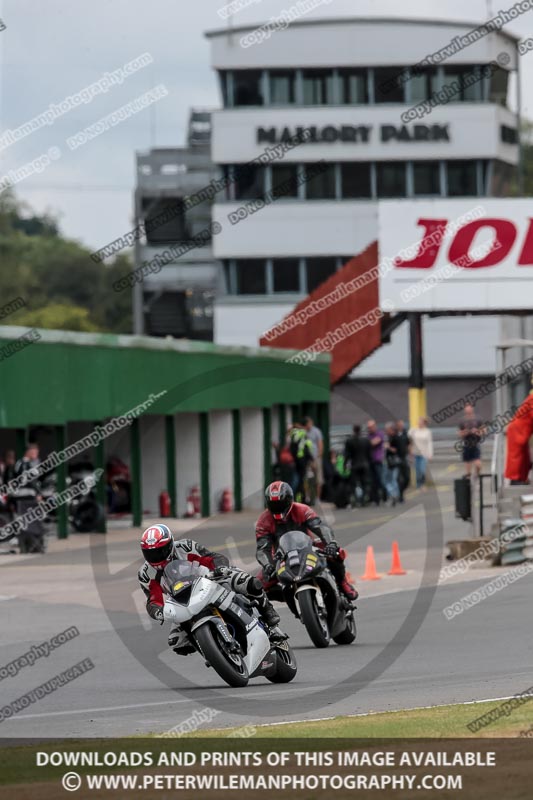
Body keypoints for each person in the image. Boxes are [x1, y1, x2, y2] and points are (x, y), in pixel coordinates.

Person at [138, 524, 286, 655]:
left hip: (210, 579)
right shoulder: (145, 573)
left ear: (170, 545)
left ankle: (268, 613)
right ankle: (213, 648)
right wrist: (158, 611)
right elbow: (153, 599)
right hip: (181, 599)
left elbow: (212, 557)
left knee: (249, 582)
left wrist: (219, 569)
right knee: (176, 642)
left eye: (160, 551)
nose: (155, 557)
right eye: (150, 553)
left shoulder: (185, 547)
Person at [255, 481, 358, 601]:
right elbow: (262, 549)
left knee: (337, 552)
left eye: (281, 504)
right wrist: (268, 565)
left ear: (289, 500)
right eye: (274, 505)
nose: (278, 508)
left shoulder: (302, 509)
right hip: (281, 556)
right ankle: (286, 599)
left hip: (308, 548)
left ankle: (342, 583)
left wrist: (331, 543)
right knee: (256, 587)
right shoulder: (263, 521)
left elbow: (320, 527)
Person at [13, 443, 45, 553]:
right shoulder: (25, 464)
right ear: (29, 452)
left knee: (25, 520)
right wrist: (38, 493)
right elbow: (30, 481)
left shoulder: (20, 463)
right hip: (26, 496)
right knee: (32, 520)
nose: (36, 454)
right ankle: (33, 545)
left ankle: (29, 545)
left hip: (21, 496)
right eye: (35, 452)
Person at [344, 424, 371, 507]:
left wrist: (345, 465)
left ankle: (354, 499)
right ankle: (364, 499)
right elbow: (369, 454)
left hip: (355, 465)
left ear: (353, 430)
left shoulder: (349, 441)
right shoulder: (366, 440)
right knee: (365, 483)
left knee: (353, 483)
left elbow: (347, 454)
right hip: (365, 464)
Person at [288, 421, 314, 501]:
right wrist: (311, 459)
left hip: (296, 461)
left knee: (297, 480)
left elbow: (293, 448)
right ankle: (303, 498)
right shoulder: (301, 434)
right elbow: (305, 448)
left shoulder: (293, 435)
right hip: (302, 461)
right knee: (301, 480)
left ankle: (295, 497)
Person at [458, 403, 483, 477]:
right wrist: (465, 432)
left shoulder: (478, 419)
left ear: (472, 409)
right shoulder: (462, 420)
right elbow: (460, 434)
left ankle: (476, 476)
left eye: (469, 408)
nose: (468, 410)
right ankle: (469, 481)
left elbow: (483, 431)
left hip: (475, 444)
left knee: (478, 465)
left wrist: (477, 431)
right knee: (468, 470)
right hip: (466, 444)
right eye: (466, 409)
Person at [408, 417, 433, 488]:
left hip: (424, 454)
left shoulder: (427, 431)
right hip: (415, 453)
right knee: (417, 470)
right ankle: (418, 484)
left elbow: (429, 443)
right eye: (418, 422)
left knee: (422, 470)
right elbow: (408, 439)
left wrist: (430, 454)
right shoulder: (413, 430)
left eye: (421, 422)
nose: (419, 423)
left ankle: (422, 484)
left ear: (424, 423)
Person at [303, 417, 324, 500]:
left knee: (318, 478)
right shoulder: (304, 432)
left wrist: (318, 456)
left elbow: (320, 444)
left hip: (316, 458)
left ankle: (317, 498)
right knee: (307, 478)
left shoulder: (316, 432)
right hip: (307, 459)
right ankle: (308, 496)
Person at [366, 419, 386, 505]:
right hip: (370, 461)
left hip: (378, 460)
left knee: (381, 480)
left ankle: (385, 497)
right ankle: (375, 499)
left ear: (374, 426)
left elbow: (373, 443)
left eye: (370, 427)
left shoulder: (379, 434)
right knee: (373, 481)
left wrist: (367, 443)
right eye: (368, 427)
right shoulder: (368, 436)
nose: (369, 429)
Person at [383, 423, 401, 507]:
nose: (386, 431)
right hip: (392, 461)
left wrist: (387, 447)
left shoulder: (395, 438)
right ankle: (396, 495)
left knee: (389, 480)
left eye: (387, 430)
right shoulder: (390, 438)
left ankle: (393, 494)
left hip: (392, 462)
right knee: (393, 480)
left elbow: (395, 450)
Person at [395, 420, 411, 502]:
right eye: (400, 425)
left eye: (402, 425)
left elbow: (409, 445)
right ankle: (400, 495)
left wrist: (410, 455)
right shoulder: (394, 435)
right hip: (396, 459)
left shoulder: (405, 434)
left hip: (405, 458)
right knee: (398, 478)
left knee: (407, 478)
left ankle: (402, 490)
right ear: (397, 426)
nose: (402, 426)